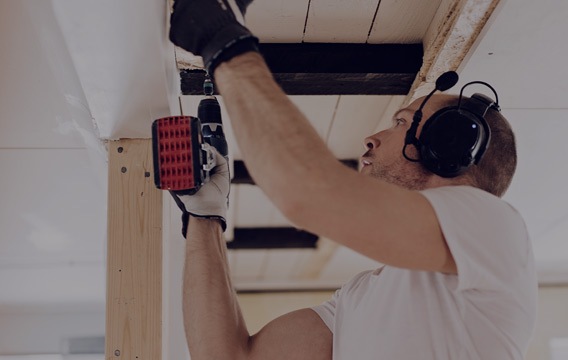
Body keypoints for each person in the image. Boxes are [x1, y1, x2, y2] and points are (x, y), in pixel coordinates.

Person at [168, 1, 538, 359]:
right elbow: (229, 357)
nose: (371, 138)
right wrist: (205, 216)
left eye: (402, 122)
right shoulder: (363, 294)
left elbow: (307, 195)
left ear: (450, 144)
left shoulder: (494, 228)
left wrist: (226, 44)